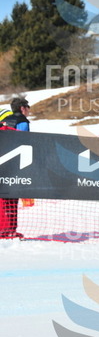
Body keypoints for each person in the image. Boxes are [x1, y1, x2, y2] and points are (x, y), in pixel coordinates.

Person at [1, 97, 31, 239]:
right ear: (22, 108)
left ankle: (5, 228)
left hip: (3, 163)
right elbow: (24, 141)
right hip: (15, 165)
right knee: (12, 199)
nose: (29, 110)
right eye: (28, 107)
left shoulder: (4, 121)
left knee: (3, 198)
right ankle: (10, 229)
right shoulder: (22, 121)